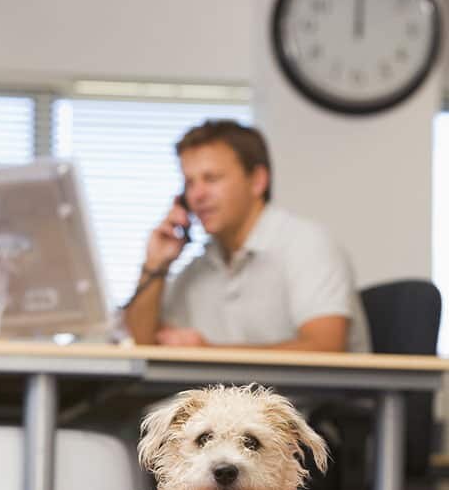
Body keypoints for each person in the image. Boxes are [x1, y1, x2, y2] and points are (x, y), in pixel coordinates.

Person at [125, 119, 370, 353]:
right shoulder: (202, 264)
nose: (197, 195)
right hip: (232, 395)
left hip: (308, 397)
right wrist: (156, 265)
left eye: (212, 179)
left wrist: (210, 354)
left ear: (257, 181)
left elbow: (326, 347)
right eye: (189, 183)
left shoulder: (307, 245)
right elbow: (146, 343)